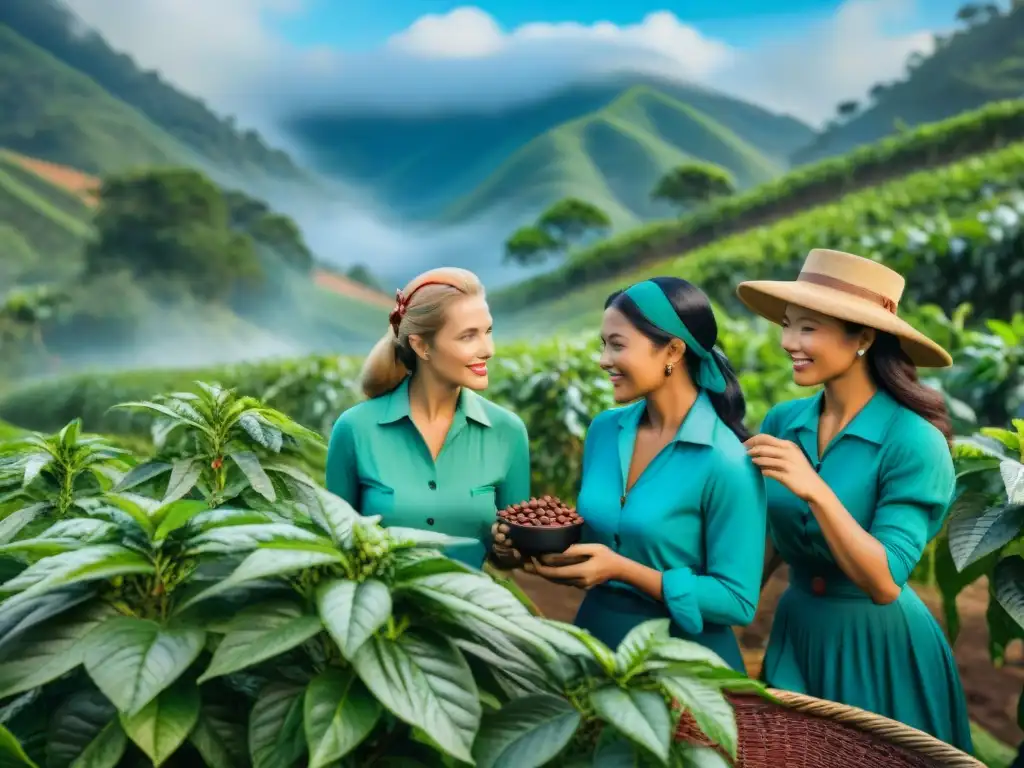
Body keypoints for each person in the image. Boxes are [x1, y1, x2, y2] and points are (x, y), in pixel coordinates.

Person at [736, 248, 973, 752]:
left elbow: (885, 580)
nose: (787, 343)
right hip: (798, 628)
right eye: (787, 325)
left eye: (807, 328)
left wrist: (815, 488)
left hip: (878, 646)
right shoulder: (784, 421)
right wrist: (720, 601)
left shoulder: (914, 441)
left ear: (863, 337)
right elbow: (773, 539)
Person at [494, 277, 766, 672]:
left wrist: (624, 571)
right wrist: (525, 546)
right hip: (595, 649)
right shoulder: (605, 431)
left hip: (682, 667)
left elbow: (736, 601)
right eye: (603, 345)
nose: (604, 360)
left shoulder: (726, 461)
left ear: (673, 350)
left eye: (617, 345)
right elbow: (600, 538)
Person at [325, 267, 531, 568]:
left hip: (468, 610)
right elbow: (336, 547)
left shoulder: (508, 432)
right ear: (422, 346)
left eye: (487, 331)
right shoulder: (355, 429)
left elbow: (512, 556)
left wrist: (509, 550)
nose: (488, 350)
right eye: (467, 336)